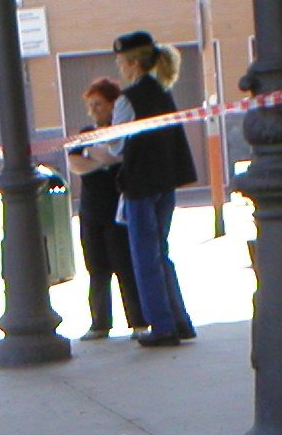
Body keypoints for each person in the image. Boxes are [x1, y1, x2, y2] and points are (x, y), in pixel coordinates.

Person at [110, 31, 197, 348]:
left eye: (121, 61)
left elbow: (116, 144)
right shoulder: (163, 92)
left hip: (140, 184)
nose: (119, 67)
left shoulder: (127, 100)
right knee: (161, 252)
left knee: (145, 256)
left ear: (133, 63)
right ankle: (179, 320)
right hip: (165, 182)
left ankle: (162, 327)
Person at [68, 77, 147, 341]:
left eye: (99, 104)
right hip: (90, 210)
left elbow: (118, 156)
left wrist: (98, 156)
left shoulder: (123, 132)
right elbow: (75, 163)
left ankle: (138, 322)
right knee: (96, 269)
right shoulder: (86, 132)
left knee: (125, 266)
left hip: (118, 211)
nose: (94, 110)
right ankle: (99, 324)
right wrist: (100, 160)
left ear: (114, 104)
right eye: (91, 105)